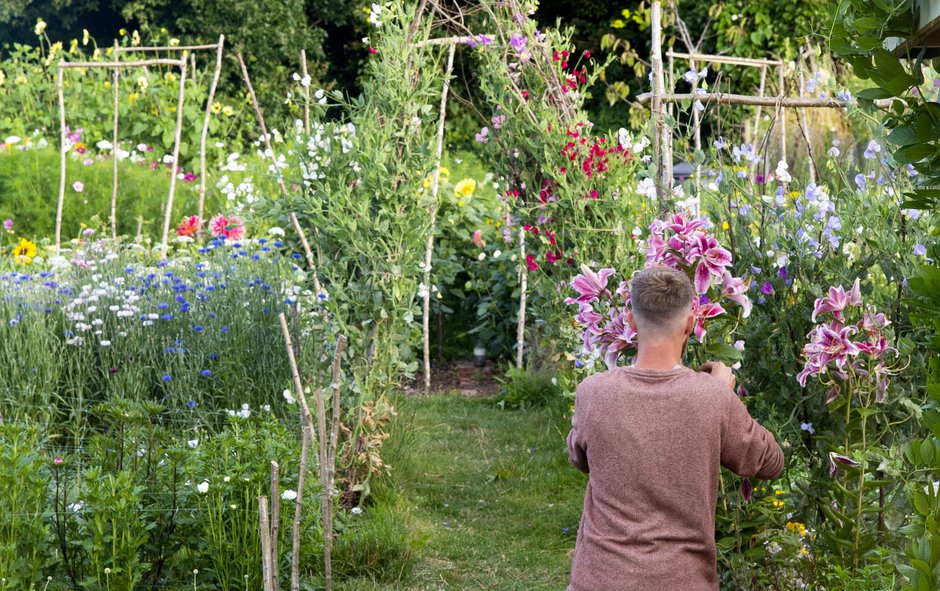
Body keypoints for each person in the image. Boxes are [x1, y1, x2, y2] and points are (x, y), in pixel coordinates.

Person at [566, 265, 784, 591]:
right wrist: (724, 397)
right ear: (690, 324)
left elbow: (579, 458)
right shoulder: (713, 398)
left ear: (631, 321)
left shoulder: (593, 392)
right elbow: (771, 461)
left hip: (600, 581)